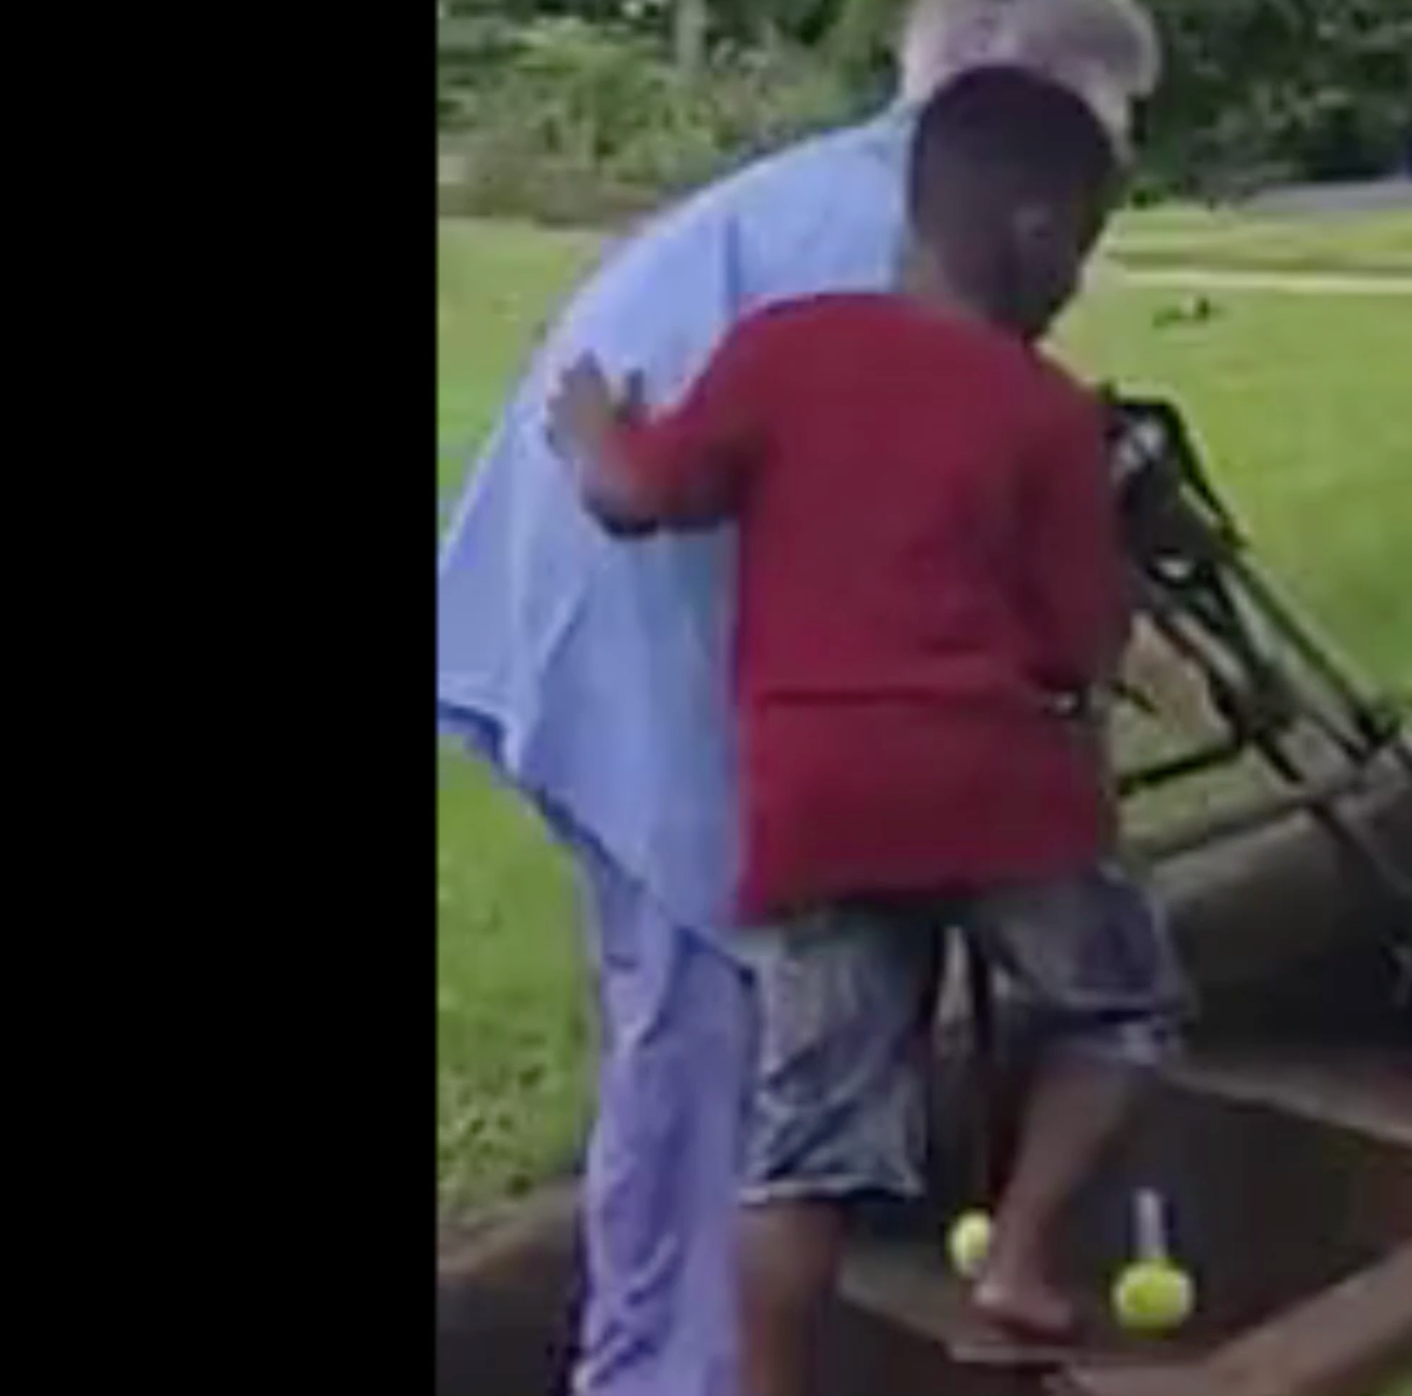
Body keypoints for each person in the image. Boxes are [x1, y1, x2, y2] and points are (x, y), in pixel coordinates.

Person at [433, 4, 1166, 1394]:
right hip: (662, 656)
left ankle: (680, 1361)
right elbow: (988, 576)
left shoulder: (852, 216)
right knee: (720, 1048)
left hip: (617, 607)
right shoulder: (886, 253)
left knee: (712, 1055)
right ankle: (670, 1374)